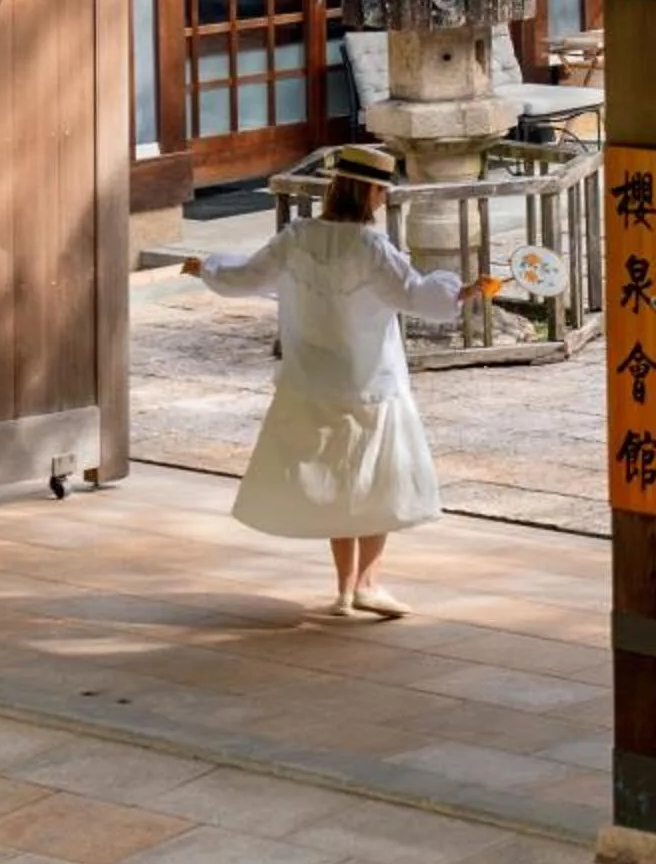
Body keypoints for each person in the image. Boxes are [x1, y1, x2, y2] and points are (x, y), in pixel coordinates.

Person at [183, 143, 482, 620]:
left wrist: (208, 268)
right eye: (381, 192)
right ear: (370, 193)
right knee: (376, 484)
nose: (383, 199)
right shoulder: (371, 248)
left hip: (311, 379)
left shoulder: (297, 237)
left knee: (336, 483)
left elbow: (248, 275)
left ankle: (344, 589)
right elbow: (415, 296)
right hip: (370, 382)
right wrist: (461, 293)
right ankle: (367, 585)